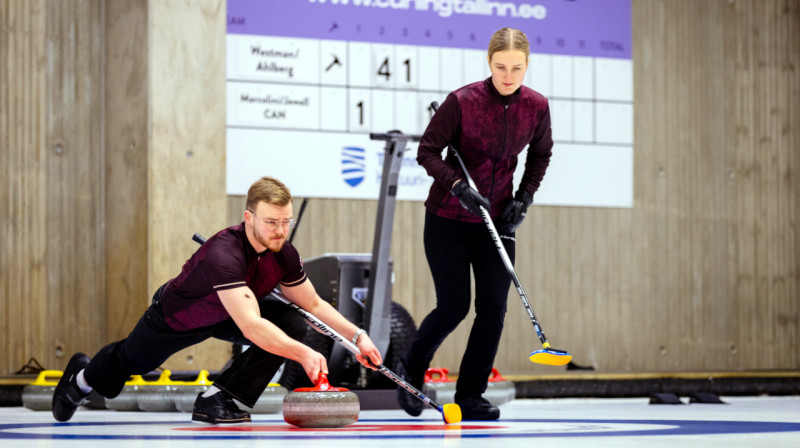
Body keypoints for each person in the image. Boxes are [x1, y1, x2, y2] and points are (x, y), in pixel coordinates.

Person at [52, 176, 382, 424]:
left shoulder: (284, 252)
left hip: (229, 315)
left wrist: (358, 338)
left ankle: (220, 397)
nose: (280, 231)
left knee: (292, 322)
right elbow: (251, 326)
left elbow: (313, 305)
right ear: (248, 218)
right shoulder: (224, 252)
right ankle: (79, 380)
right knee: (131, 362)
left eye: (286, 222)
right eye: (271, 222)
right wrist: (303, 353)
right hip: (180, 317)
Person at [398, 27, 553, 421]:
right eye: (500, 67)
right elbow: (427, 151)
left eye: (517, 68)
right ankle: (411, 370)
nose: (508, 76)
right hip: (448, 218)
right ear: (489, 62)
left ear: (527, 66)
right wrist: (456, 186)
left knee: (494, 308)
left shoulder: (536, 106)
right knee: (454, 307)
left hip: (497, 220)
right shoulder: (463, 101)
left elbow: (540, 155)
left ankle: (470, 395)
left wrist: (524, 196)